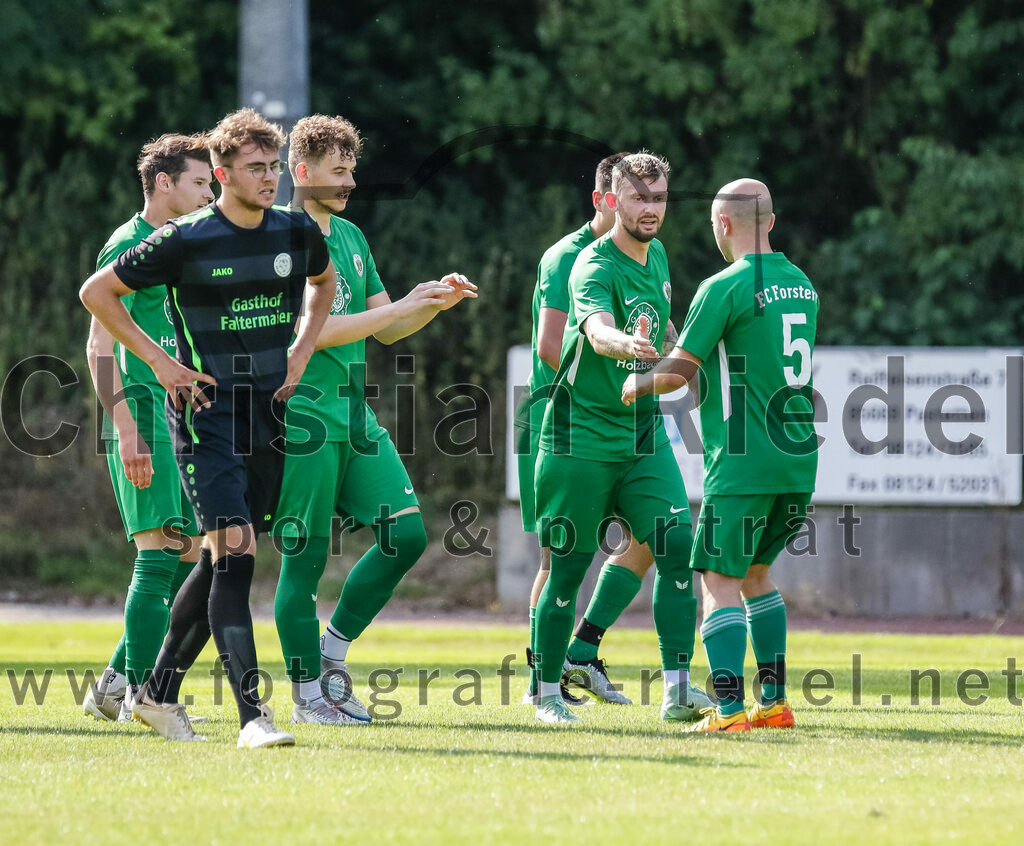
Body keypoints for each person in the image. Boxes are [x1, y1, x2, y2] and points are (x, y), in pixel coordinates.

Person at [80, 108, 337, 747]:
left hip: (267, 413)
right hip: (204, 415)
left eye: (274, 166)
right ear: (221, 173)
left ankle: (157, 693)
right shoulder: (185, 238)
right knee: (236, 555)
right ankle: (253, 717)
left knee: (224, 556)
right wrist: (163, 364)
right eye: (255, 168)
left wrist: (302, 351)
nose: (269, 178)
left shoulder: (294, 231)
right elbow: (97, 293)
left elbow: (324, 282)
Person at [271, 113, 475, 725]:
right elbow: (309, 335)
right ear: (302, 172)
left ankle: (331, 656)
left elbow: (386, 325)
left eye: (352, 169)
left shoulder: (352, 238)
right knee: (303, 561)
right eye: (338, 171)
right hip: (302, 413)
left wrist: (429, 302)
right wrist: (404, 305)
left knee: (406, 533)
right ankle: (309, 697)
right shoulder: (281, 237)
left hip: (354, 414)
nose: (350, 181)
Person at [622, 178, 818, 732]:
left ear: (723, 226)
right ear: (772, 223)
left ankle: (730, 711)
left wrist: (637, 383)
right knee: (758, 575)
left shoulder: (723, 286)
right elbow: (740, 358)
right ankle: (775, 704)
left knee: (716, 579)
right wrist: (682, 348)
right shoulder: (801, 284)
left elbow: (680, 374)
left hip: (741, 462)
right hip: (797, 460)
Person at [532, 152, 712, 724]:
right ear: (612, 200)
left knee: (678, 542)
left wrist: (680, 349)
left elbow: (663, 326)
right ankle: (544, 693)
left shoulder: (656, 254)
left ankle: (678, 690)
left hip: (640, 436)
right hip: (577, 437)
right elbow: (594, 328)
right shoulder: (591, 264)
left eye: (659, 198)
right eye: (640, 198)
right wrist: (624, 347)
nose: (651, 209)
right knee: (566, 568)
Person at [82, 133, 215, 722]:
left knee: (188, 556)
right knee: (159, 555)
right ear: (165, 184)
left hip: (175, 415)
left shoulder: (177, 246)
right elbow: (97, 348)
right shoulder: (127, 245)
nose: (209, 191)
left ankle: (115, 683)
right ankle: (144, 697)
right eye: (199, 182)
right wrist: (127, 430)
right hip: (139, 410)